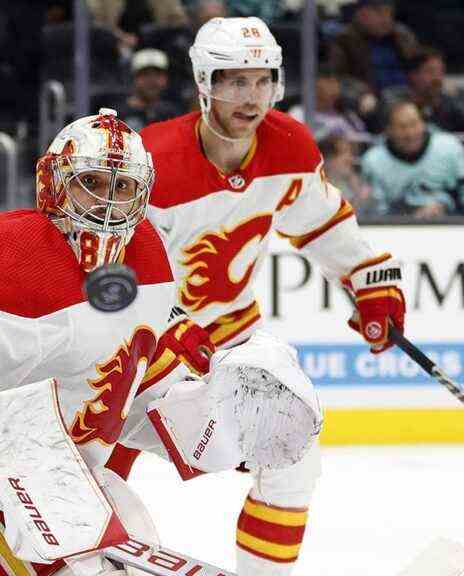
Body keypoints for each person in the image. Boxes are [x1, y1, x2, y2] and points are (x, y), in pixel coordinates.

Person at [0, 108, 322, 576]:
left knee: (124, 551)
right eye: (91, 183)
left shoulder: (149, 262)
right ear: (55, 184)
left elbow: (135, 398)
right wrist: (37, 478)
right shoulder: (7, 253)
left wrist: (220, 428)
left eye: (123, 187)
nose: (108, 202)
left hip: (37, 479)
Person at [119, 17, 405, 576]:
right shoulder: (152, 162)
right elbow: (124, 274)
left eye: (262, 81)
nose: (250, 99)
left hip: (234, 344)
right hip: (141, 349)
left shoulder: (288, 143)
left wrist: (371, 283)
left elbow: (323, 224)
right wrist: (169, 329)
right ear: (203, 83)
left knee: (293, 457)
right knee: (97, 468)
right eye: (233, 82)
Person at [361, 100, 464, 218]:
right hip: (398, 229)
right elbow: (376, 213)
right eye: (402, 127)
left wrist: (445, 206)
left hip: (453, 227)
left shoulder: (450, 147)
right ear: (388, 130)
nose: (410, 133)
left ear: (423, 123)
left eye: (414, 124)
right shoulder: (373, 161)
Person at [370, 46, 464, 134]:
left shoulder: (448, 102)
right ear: (413, 75)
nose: (437, 78)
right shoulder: (393, 99)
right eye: (430, 71)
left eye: (441, 71)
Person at [111, 48, 184, 132]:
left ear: (166, 79)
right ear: (134, 78)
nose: (152, 81)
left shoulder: (172, 114)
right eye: (145, 74)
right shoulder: (117, 115)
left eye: (157, 75)